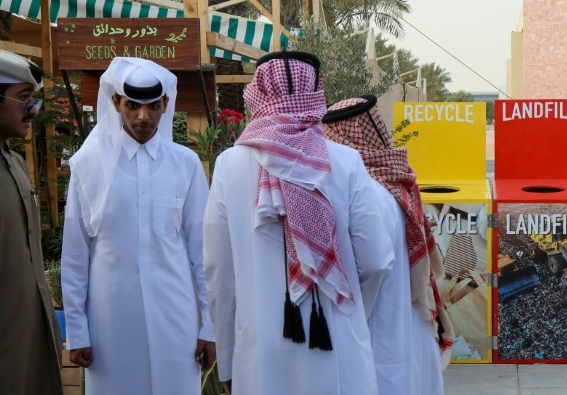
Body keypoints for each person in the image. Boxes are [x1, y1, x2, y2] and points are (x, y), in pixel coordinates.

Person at [203, 51, 394, 395]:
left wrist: (228, 360)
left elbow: (219, 275)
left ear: (256, 93)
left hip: (260, 355)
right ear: (317, 89)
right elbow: (377, 261)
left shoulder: (229, 166)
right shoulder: (347, 162)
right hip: (339, 352)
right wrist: (350, 314)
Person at [61, 57, 215, 395]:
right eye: (132, 105)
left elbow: (203, 253)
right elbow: (75, 253)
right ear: (116, 102)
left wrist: (210, 326)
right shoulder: (89, 165)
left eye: (152, 106)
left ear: (165, 105)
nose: (142, 117)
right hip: (110, 325)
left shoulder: (185, 165)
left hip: (176, 322)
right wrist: (77, 330)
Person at [322, 95, 454, 395]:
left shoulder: (368, 192)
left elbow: (374, 265)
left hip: (381, 329)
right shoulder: (397, 182)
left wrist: (353, 316)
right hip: (410, 326)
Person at [0, 49, 64, 395]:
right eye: (24, 98)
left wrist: (50, 333)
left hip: (28, 341)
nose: (34, 110)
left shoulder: (14, 161)